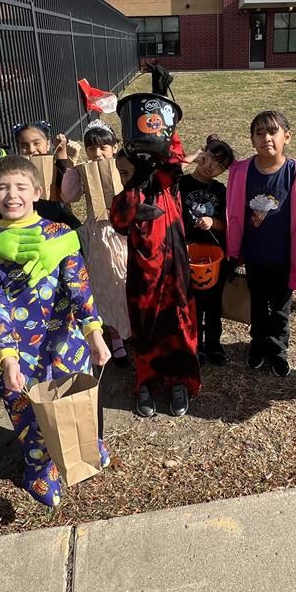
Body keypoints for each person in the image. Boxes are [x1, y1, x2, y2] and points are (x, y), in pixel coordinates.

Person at [0, 155, 111, 506]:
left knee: (73, 395)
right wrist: (6, 358)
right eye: (2, 188)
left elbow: (79, 285)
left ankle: (85, 443)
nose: (11, 195)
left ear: (37, 191)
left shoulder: (59, 234)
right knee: (27, 406)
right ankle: (38, 466)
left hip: (65, 338)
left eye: (21, 187)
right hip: (21, 348)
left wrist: (94, 332)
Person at [111, 137, 200, 419]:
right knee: (145, 326)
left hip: (175, 273)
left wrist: (161, 141)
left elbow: (174, 159)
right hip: (143, 276)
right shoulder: (129, 196)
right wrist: (135, 182)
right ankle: (146, 381)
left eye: (131, 170)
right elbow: (119, 222)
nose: (127, 176)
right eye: (123, 172)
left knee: (179, 324)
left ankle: (179, 381)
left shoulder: (167, 185)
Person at [226, 110, 296, 377]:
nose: (266, 137)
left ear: (286, 137)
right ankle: (257, 345)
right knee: (257, 304)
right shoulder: (242, 171)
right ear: (252, 139)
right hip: (255, 255)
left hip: (286, 257)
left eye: (272, 131)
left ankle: (278, 350)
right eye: (259, 133)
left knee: (281, 309)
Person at [61, 120, 131, 366]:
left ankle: (131, 328)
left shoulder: (124, 166)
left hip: (124, 231)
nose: (98, 153)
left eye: (104, 147)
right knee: (105, 284)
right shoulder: (84, 170)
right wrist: (73, 164)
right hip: (99, 234)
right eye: (92, 148)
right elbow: (69, 195)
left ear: (114, 147)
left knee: (125, 280)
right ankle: (115, 335)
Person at [179, 135, 236, 366]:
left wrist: (213, 222)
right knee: (191, 304)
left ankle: (214, 345)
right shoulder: (180, 184)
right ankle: (195, 345)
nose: (212, 166)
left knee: (213, 304)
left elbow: (229, 224)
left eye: (220, 165)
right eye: (212, 158)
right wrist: (193, 157)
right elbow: (170, 171)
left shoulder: (221, 191)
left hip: (213, 257)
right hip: (185, 255)